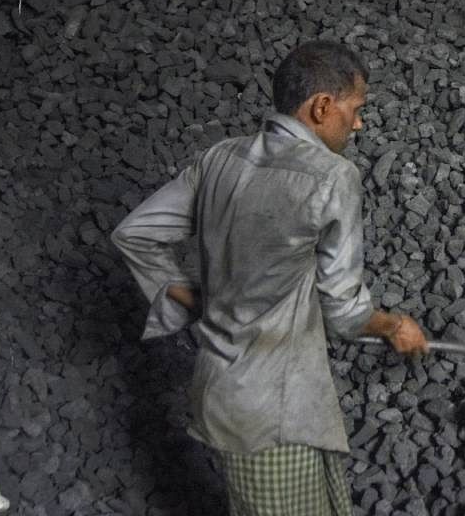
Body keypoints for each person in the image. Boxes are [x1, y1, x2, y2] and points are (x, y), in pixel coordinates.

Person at [111, 41, 427, 516]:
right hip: (275, 414)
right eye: (356, 109)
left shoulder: (220, 157)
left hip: (227, 394)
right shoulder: (332, 177)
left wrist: (195, 298)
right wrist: (393, 326)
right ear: (322, 106)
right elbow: (343, 313)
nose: (358, 123)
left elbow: (133, 233)